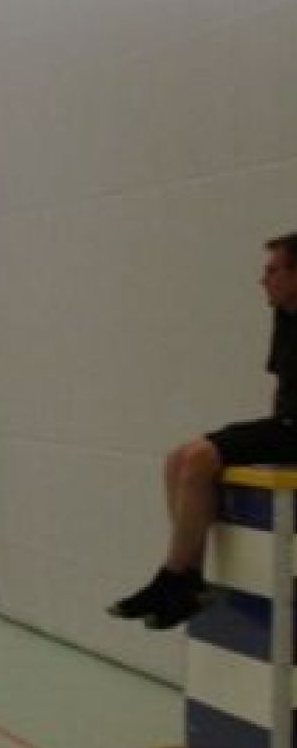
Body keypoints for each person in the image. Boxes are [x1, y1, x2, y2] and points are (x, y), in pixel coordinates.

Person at [109, 233, 297, 629]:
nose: (263, 280)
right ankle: (186, 576)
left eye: (273, 271)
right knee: (178, 458)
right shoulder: (285, 314)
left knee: (199, 457)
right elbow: (282, 386)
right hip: (285, 425)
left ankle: (174, 577)